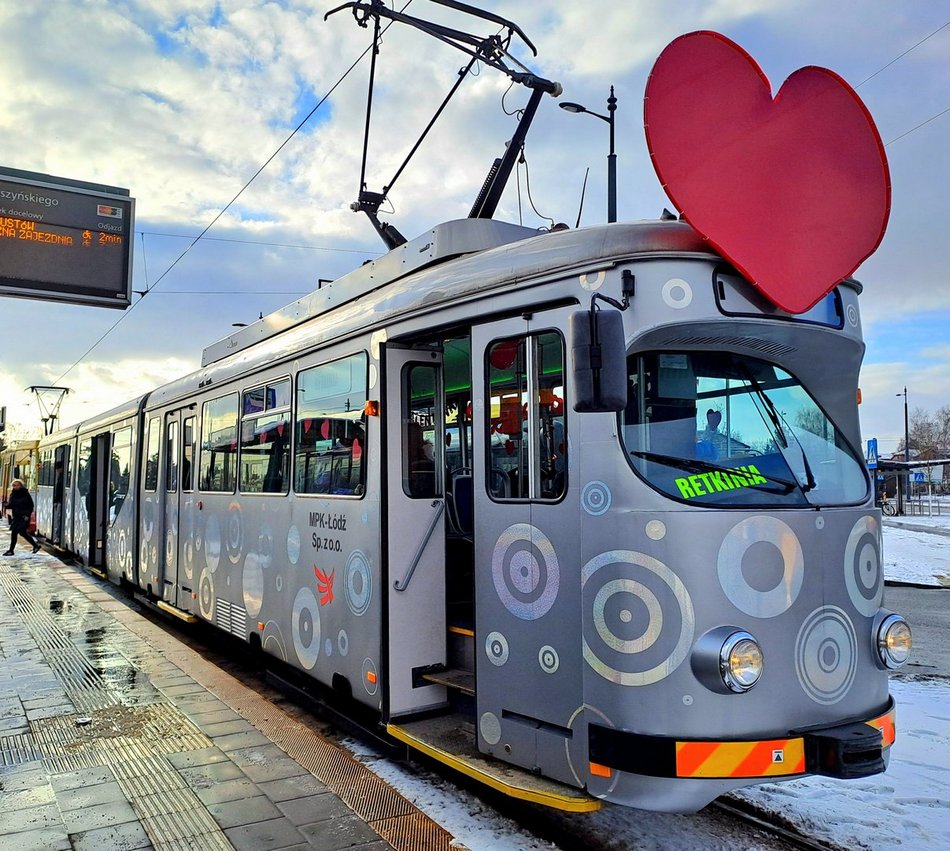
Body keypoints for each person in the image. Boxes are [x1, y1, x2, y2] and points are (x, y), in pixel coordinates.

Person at [4, 479, 40, 555]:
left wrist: (27, 515)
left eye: (17, 485)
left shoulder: (25, 493)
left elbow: (31, 505)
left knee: (15, 532)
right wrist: (6, 505)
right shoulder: (13, 494)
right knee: (22, 533)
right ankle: (36, 545)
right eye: (14, 485)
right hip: (16, 516)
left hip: (24, 517)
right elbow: (11, 505)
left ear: (21, 485)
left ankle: (11, 550)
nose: (15, 487)